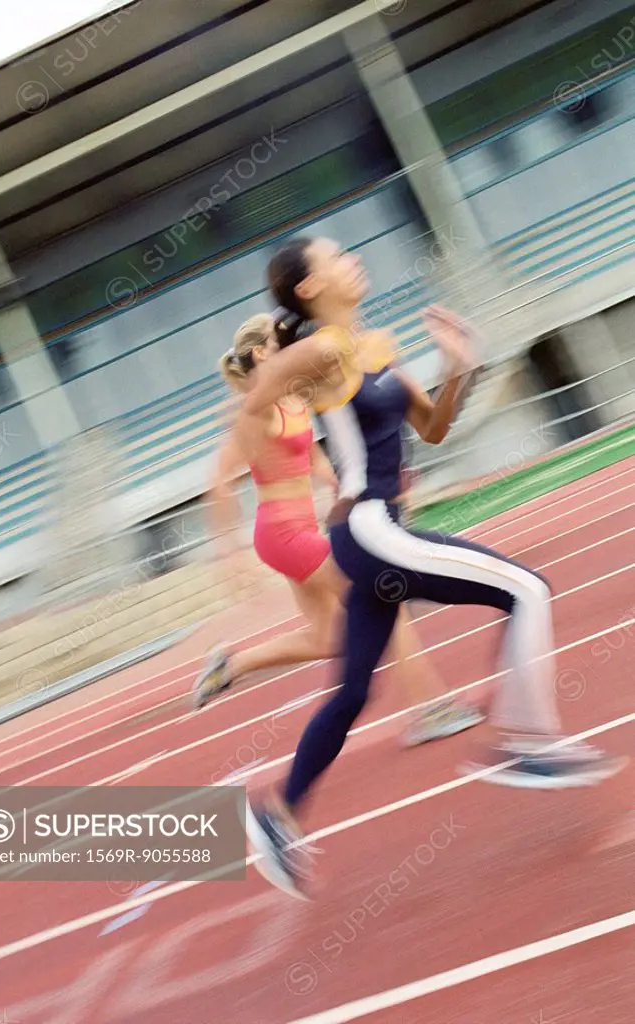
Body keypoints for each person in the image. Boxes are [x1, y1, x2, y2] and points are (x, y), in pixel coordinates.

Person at [235, 235, 627, 898]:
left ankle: (276, 814)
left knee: (356, 690)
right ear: (307, 287)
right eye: (335, 256)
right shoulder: (329, 350)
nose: (351, 257)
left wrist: (459, 366)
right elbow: (255, 399)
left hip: (378, 535)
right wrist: (288, 356)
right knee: (528, 590)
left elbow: (435, 428)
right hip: (371, 528)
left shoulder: (374, 348)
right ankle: (528, 741)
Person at [192, 313, 483, 748]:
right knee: (385, 595)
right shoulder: (251, 411)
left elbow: (313, 457)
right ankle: (431, 708)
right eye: (281, 342)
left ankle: (231, 665)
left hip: (302, 529)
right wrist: (228, 554)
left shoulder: (292, 396)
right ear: (261, 353)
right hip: (281, 535)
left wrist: (345, 490)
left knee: (330, 637)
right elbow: (217, 483)